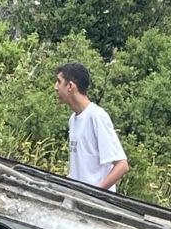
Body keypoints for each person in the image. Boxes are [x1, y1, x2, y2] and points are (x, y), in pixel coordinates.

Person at [54, 62, 129, 191]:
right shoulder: (73, 120)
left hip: (96, 201)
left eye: (59, 82)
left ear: (70, 86)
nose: (56, 87)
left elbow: (122, 165)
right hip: (78, 197)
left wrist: (95, 192)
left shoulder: (97, 116)